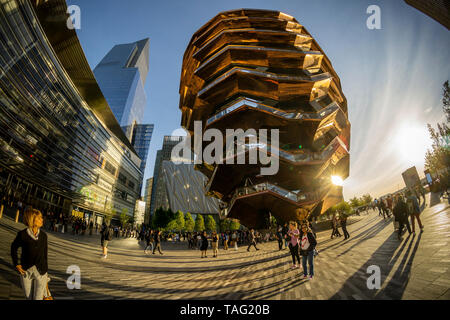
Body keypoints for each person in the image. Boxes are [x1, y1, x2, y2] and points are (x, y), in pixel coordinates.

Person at [11, 207, 49, 300]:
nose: (42, 219)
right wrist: (16, 263)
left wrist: (45, 275)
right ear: (32, 219)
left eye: (41, 217)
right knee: (28, 297)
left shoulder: (44, 236)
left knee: (38, 298)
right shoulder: (22, 234)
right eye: (39, 218)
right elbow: (13, 248)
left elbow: (45, 255)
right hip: (25, 272)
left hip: (41, 272)